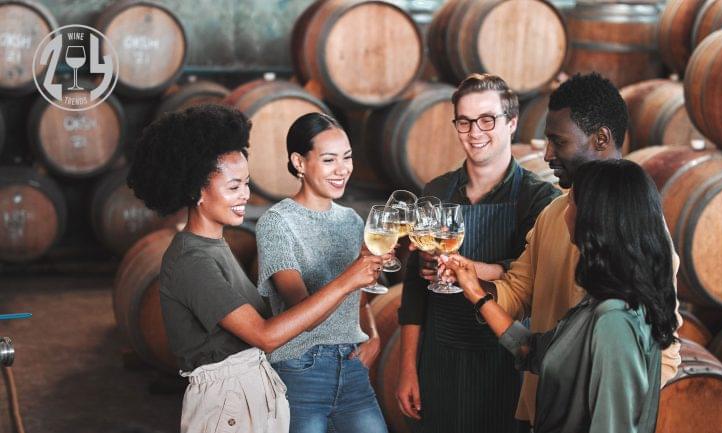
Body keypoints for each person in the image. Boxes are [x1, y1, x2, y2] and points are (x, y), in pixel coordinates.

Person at [442, 72, 683, 427]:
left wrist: (591, 401)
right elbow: (520, 292)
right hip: (540, 410)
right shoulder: (556, 212)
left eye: (558, 141)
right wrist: (473, 283)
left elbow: (663, 356)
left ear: (601, 139)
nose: (547, 153)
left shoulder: (639, 230)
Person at [127, 105, 384, 433]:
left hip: (248, 392)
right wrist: (349, 279)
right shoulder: (192, 260)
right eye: (234, 187)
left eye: (246, 184)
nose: (246, 196)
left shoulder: (214, 244)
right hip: (226, 403)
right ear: (195, 191)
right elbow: (265, 335)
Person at [395, 73, 561, 433]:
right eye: (465, 121)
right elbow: (413, 292)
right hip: (440, 360)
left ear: (512, 122)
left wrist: (472, 269)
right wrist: (408, 367)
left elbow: (531, 276)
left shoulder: (539, 198)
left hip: (505, 359)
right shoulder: (436, 190)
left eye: (488, 120)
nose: (475, 132)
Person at [255, 112, 388, 433]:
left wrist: (373, 335)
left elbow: (361, 295)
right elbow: (305, 315)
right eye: (329, 160)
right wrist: (350, 276)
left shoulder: (353, 221)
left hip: (353, 366)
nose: (342, 169)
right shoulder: (276, 223)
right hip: (301, 368)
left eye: (347, 157)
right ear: (299, 162)